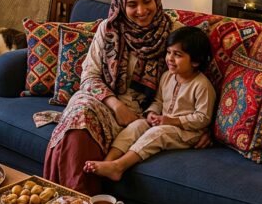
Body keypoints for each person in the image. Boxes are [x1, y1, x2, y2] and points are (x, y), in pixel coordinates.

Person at [44, 0, 210, 194]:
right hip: (104, 101)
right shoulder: (109, 28)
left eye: (147, 1)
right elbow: (89, 76)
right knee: (78, 122)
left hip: (145, 114)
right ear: (121, 3)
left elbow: (198, 85)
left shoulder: (175, 33)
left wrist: (204, 129)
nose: (142, 11)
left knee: (117, 129)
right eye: (132, 5)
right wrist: (116, 105)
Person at [83, 26, 215, 181]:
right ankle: (108, 161)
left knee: (158, 133)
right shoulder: (167, 76)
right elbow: (158, 101)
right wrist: (151, 114)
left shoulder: (202, 86)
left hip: (188, 133)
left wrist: (172, 121)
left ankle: (119, 166)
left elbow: (202, 118)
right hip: (164, 122)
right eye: (169, 52)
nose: (170, 58)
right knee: (137, 125)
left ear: (196, 61)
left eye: (177, 55)